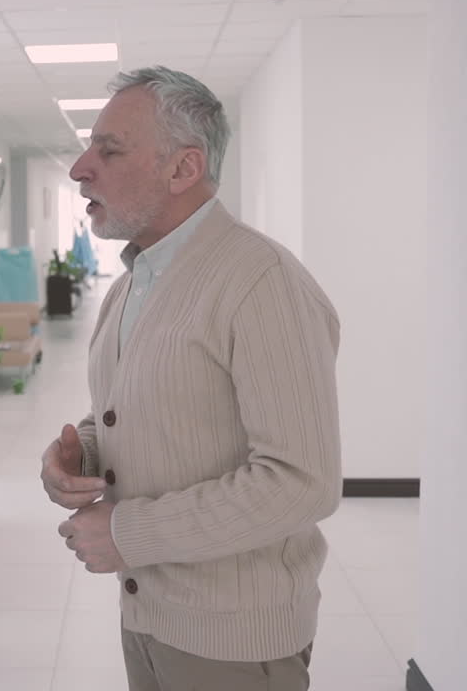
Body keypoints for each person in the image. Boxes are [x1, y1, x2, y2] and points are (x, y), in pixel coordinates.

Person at [41, 67, 342, 691]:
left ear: (183, 168)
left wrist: (126, 532)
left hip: (231, 639)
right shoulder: (129, 284)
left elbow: (303, 483)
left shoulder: (262, 283)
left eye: (109, 149)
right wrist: (82, 451)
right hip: (148, 616)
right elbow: (139, 409)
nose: (79, 167)